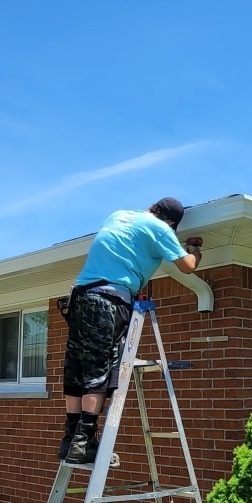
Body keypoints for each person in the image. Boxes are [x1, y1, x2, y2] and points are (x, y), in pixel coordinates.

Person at [59, 197, 202, 464]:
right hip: (108, 301)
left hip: (80, 297)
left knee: (78, 368)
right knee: (99, 371)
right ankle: (82, 442)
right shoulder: (160, 229)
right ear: (171, 222)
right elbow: (188, 267)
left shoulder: (119, 215)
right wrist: (193, 248)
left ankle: (70, 438)